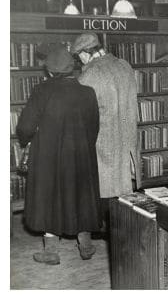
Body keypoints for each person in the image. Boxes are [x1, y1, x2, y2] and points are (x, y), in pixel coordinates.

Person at [16, 47, 101, 265]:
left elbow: (25, 126)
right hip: (80, 155)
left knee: (49, 198)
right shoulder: (88, 92)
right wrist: (83, 148)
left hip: (49, 156)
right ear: (72, 68)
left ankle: (51, 252)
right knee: (80, 195)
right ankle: (86, 245)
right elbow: (94, 127)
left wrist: (25, 140)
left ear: (50, 71)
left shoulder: (41, 91)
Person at [71, 33, 139, 225]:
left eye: (79, 57)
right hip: (127, 141)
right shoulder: (124, 65)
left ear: (85, 53)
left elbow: (81, 114)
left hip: (104, 142)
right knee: (124, 190)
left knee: (104, 190)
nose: (79, 61)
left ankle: (105, 229)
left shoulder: (89, 75)